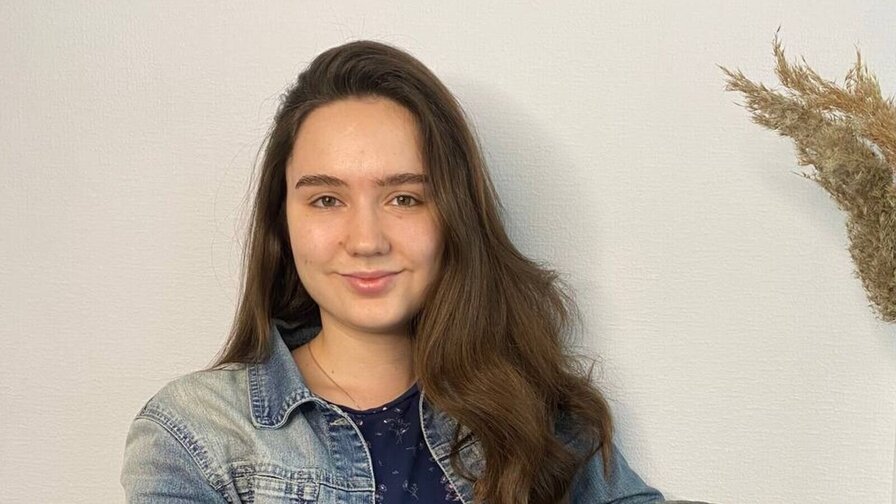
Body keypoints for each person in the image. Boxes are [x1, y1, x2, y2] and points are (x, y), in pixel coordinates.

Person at [121, 40, 665, 504]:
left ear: (454, 216)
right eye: (326, 199)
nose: (366, 241)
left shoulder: (535, 410)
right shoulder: (195, 434)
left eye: (404, 198)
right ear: (281, 220)